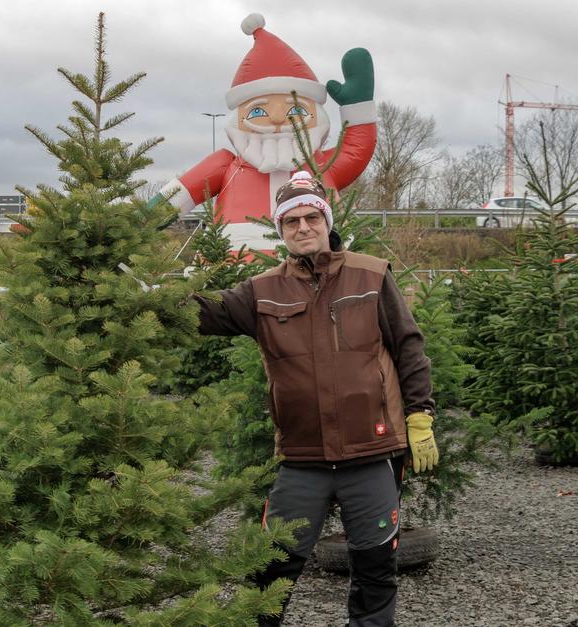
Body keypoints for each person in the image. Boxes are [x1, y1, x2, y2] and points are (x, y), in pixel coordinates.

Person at [195, 171, 439, 626]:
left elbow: (409, 346)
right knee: (271, 567)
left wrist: (420, 416)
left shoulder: (371, 275)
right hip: (302, 458)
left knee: (375, 568)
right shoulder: (261, 290)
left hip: (370, 453)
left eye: (312, 217)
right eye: (292, 221)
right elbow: (205, 315)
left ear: (326, 221)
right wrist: (151, 298)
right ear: (282, 230)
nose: (303, 227)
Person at [154, 13, 377, 253]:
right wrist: (131, 226)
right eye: (258, 110)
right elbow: (179, 195)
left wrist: (358, 106)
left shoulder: (323, 165)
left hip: (323, 268)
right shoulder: (225, 166)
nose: (279, 119)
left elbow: (357, 149)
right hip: (235, 266)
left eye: (295, 108)